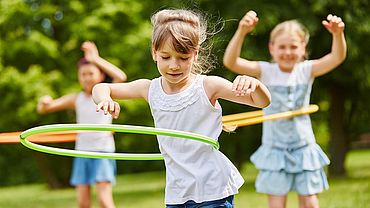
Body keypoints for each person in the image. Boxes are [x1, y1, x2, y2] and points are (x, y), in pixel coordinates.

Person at [92, 9, 271, 208]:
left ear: (195, 55)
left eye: (183, 57)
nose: (174, 65)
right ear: (154, 52)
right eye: (166, 57)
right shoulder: (149, 89)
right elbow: (100, 87)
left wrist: (255, 85)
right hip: (178, 191)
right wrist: (105, 99)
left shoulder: (208, 86)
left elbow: (261, 102)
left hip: (212, 187)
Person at [223, 10, 346, 208]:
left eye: (293, 47)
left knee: (310, 203)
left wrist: (338, 34)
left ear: (303, 48)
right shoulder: (265, 71)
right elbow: (231, 62)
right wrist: (242, 31)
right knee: (277, 204)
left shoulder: (307, 70)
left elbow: (337, 57)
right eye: (282, 47)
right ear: (271, 48)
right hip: (275, 149)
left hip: (303, 147)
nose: (287, 52)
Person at [37, 41, 127, 208]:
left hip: (102, 152)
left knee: (105, 202)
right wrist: (44, 102)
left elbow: (121, 77)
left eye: (90, 73)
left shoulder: (107, 93)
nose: (86, 78)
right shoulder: (76, 98)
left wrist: (96, 58)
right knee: (82, 203)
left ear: (100, 76)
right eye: (82, 74)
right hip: (82, 152)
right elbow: (45, 109)